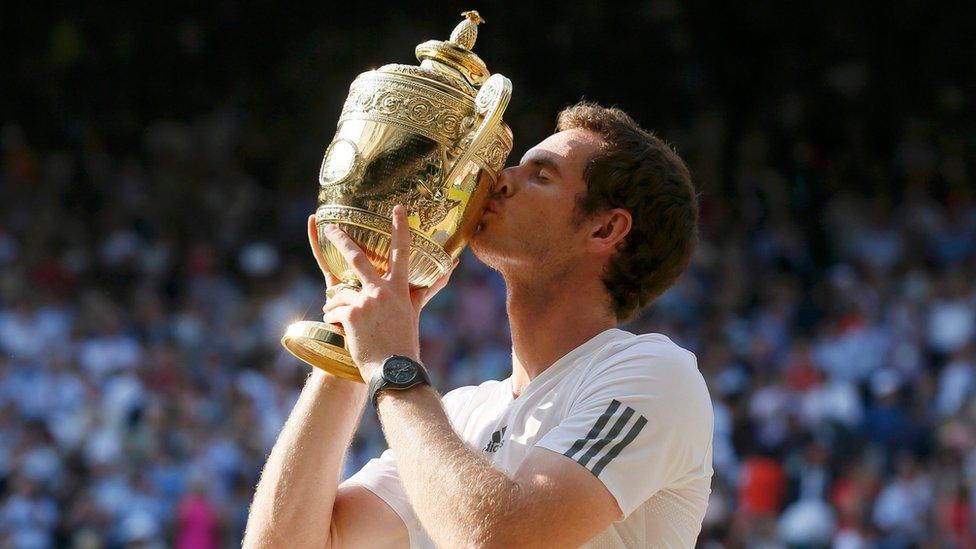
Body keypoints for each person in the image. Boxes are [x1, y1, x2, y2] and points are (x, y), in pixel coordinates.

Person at [243, 102, 713, 547]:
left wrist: (392, 365)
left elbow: (497, 539)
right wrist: (349, 342)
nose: (500, 180)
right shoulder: (462, 414)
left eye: (541, 176)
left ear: (605, 230)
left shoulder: (656, 374)